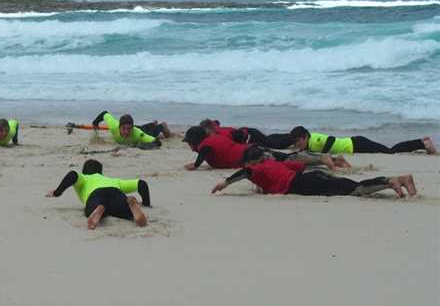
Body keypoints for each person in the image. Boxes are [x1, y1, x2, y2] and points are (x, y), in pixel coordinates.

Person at [211, 146, 418, 198]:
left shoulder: (254, 168)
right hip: (309, 177)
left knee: (356, 191)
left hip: (301, 185)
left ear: (251, 161)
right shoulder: (274, 164)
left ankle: (393, 181)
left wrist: (226, 183)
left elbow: (246, 173)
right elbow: (300, 167)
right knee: (351, 186)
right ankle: (395, 181)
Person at [182, 126, 350, 171]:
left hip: (251, 155)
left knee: (287, 160)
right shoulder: (215, 139)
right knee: (286, 158)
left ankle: (321, 159)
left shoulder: (205, 145)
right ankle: (335, 160)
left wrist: (196, 165)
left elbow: (204, 151)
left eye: (190, 143)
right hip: (252, 149)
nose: (190, 146)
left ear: (196, 141)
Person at [46, 159, 150, 230]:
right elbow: (141, 184)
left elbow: (72, 175)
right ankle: (132, 207)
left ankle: (98, 210)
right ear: (101, 173)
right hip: (115, 192)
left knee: (92, 208)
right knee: (124, 209)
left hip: (96, 195)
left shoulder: (84, 178)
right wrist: (146, 203)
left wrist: (57, 192)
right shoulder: (114, 180)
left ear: (84, 172)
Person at [290, 126, 437, 155]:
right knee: (389, 150)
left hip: (357, 144)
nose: (297, 145)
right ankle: (421, 141)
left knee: (390, 151)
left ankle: (422, 143)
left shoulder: (315, 138)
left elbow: (330, 139)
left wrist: (324, 153)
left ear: (304, 137)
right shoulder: (308, 143)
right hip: (356, 146)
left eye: (298, 142)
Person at [199, 119, 296, 149]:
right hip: (249, 132)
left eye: (207, 132)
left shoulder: (221, 134)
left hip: (251, 136)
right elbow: (217, 121)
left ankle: (294, 138)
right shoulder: (216, 127)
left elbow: (232, 145)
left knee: (275, 145)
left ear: (210, 128)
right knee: (268, 139)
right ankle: (290, 135)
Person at [91, 110, 167, 149]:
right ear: (119, 127)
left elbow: (158, 143)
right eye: (124, 128)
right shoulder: (114, 126)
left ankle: (162, 125)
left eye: (129, 129)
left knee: (150, 132)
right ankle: (153, 123)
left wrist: (140, 146)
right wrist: (95, 123)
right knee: (143, 127)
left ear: (132, 127)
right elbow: (104, 113)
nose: (126, 132)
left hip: (141, 131)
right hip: (138, 128)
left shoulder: (138, 134)